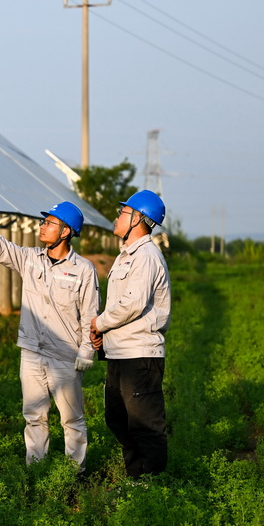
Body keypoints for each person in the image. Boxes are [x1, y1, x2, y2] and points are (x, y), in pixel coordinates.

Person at [0, 202, 99, 471]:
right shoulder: (31, 259)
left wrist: (87, 351)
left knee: (71, 420)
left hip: (65, 355)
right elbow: (1, 248)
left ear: (66, 231)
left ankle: (74, 474)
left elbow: (90, 314)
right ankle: (36, 471)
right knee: (34, 416)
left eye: (50, 223)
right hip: (32, 352)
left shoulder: (84, 269)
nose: (42, 226)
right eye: (44, 222)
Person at [90, 189, 171, 478]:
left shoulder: (146, 255)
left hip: (139, 355)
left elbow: (133, 303)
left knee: (145, 424)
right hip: (120, 353)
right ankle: (136, 479)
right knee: (118, 419)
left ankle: (152, 486)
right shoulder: (126, 256)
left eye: (123, 212)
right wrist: (104, 334)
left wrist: (99, 323)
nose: (117, 216)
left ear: (138, 218)